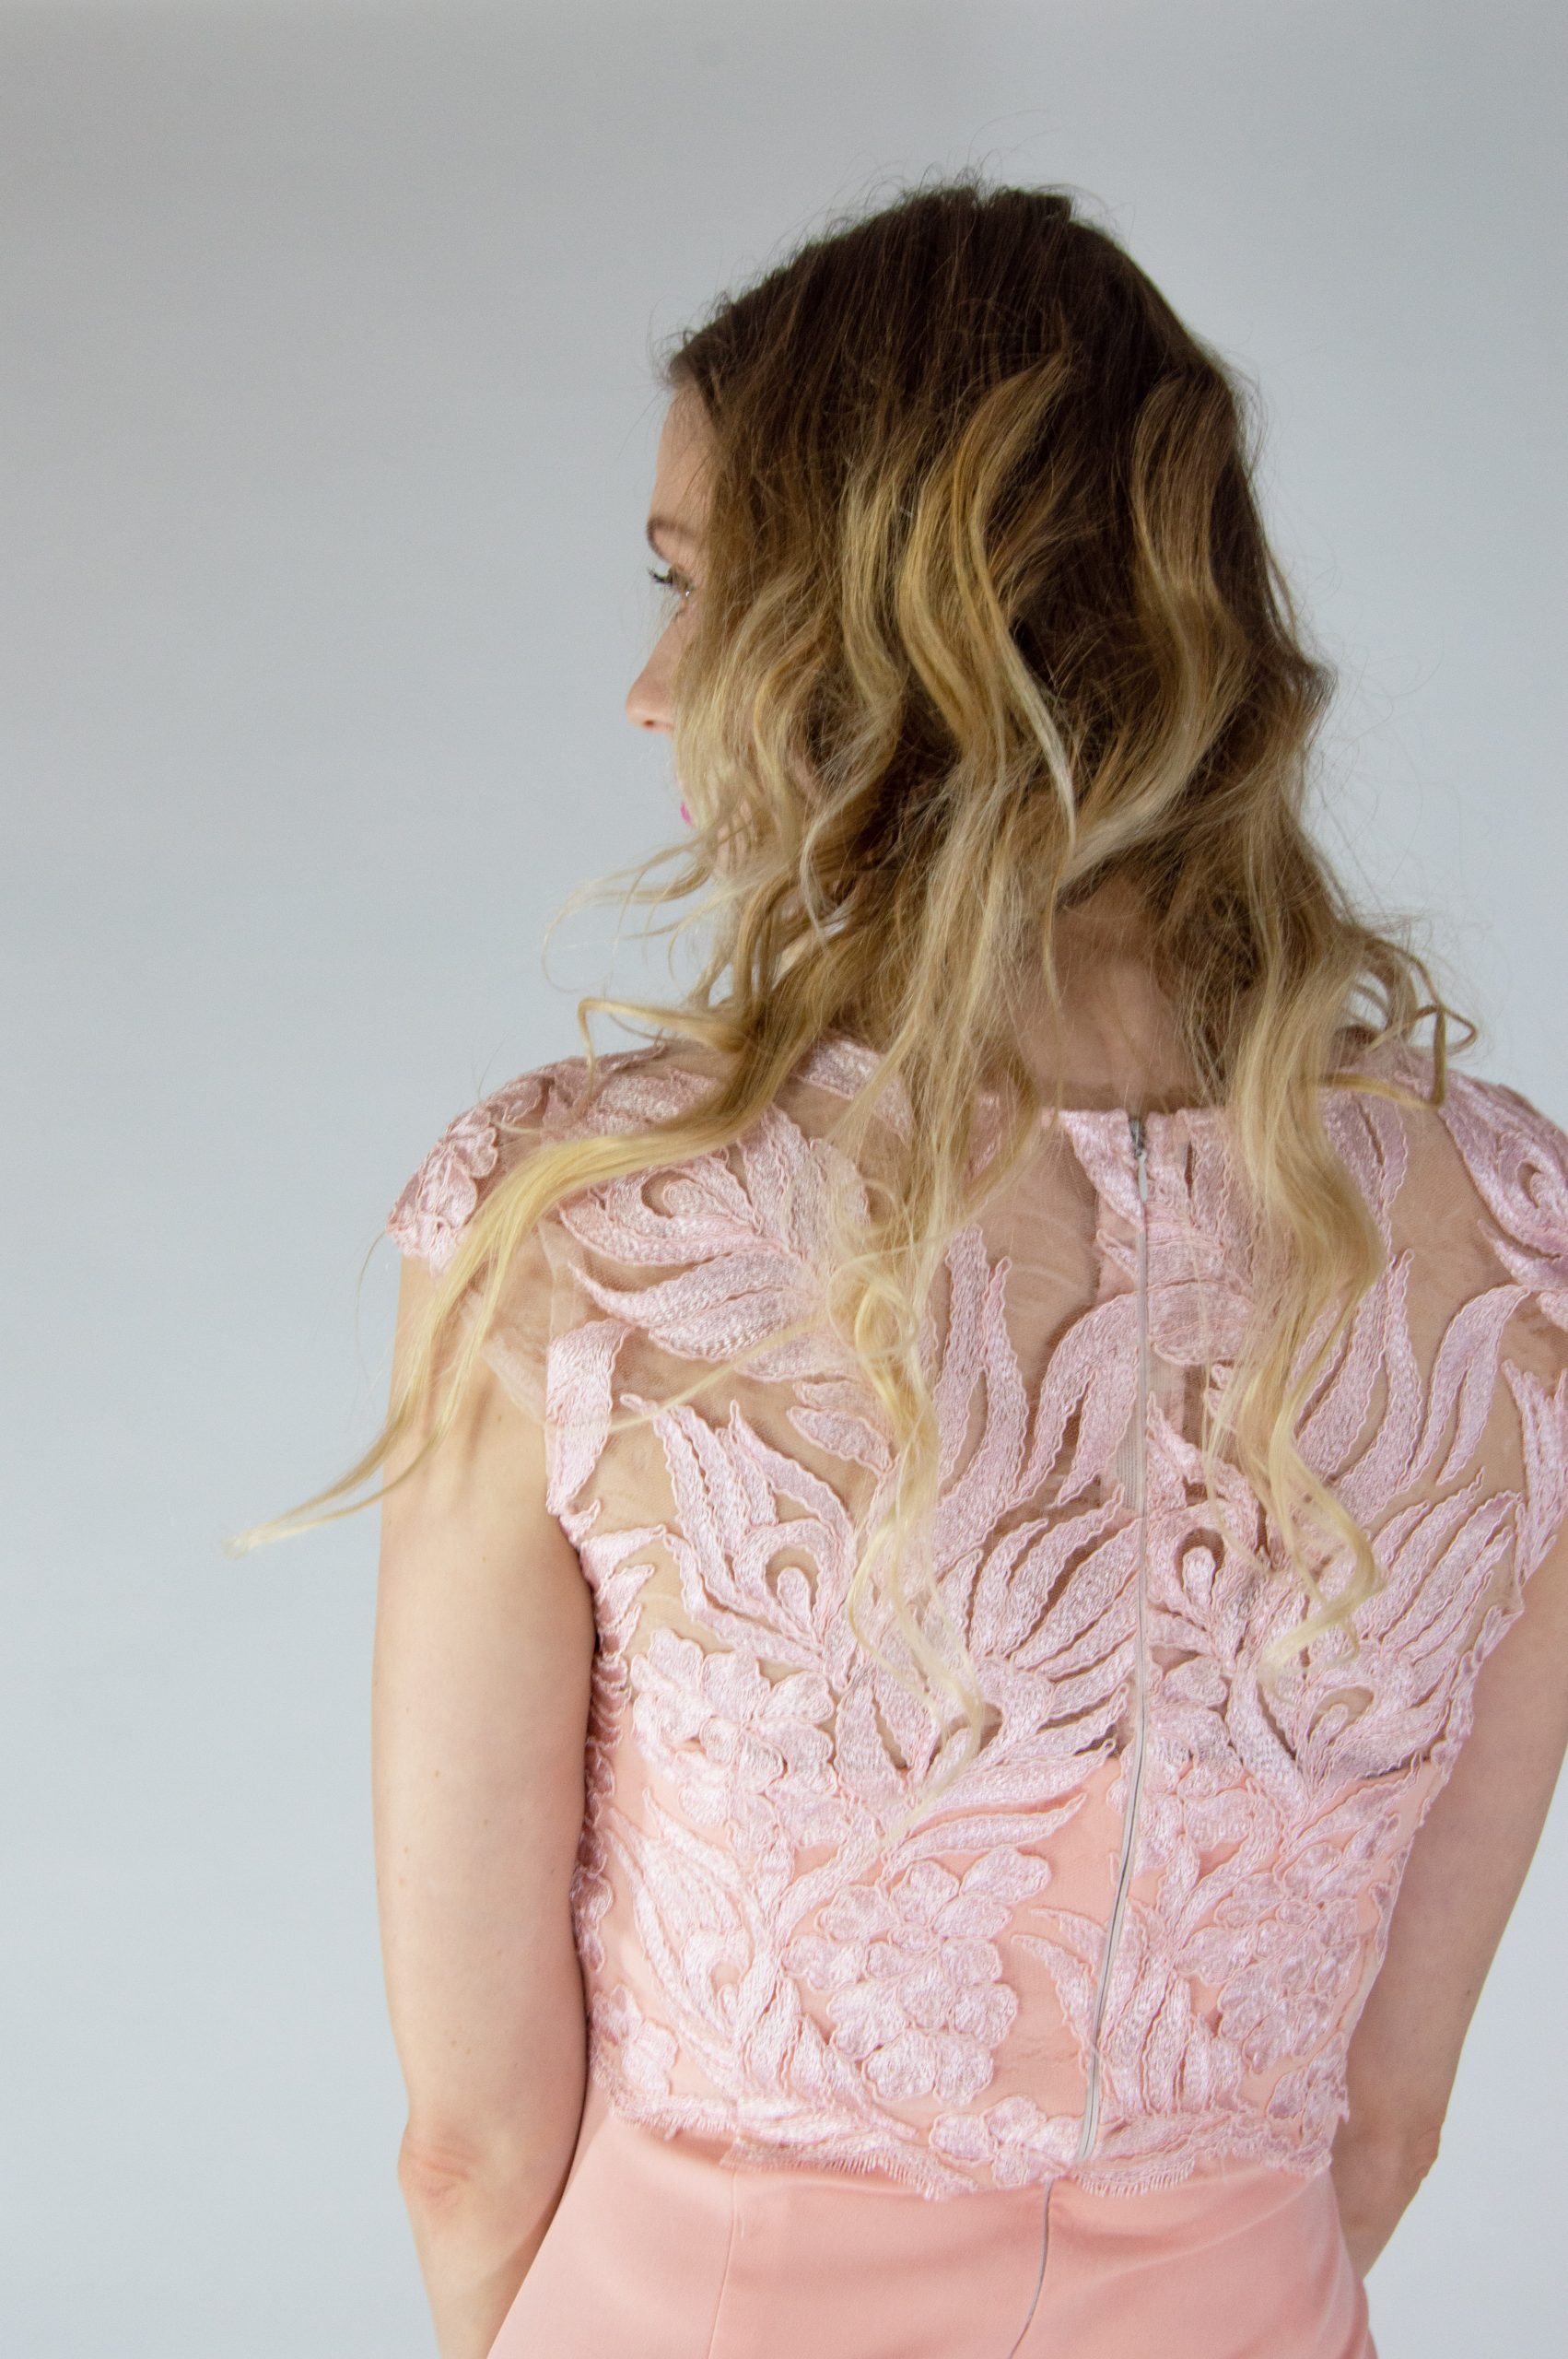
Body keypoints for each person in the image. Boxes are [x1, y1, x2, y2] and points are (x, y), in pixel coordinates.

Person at [239, 175, 1568, 2359]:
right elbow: (1384, 2124)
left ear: (897, 623)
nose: (650, 688)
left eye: (696, 585)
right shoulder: (1514, 1253)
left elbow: (465, 2144)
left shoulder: (581, 1224)